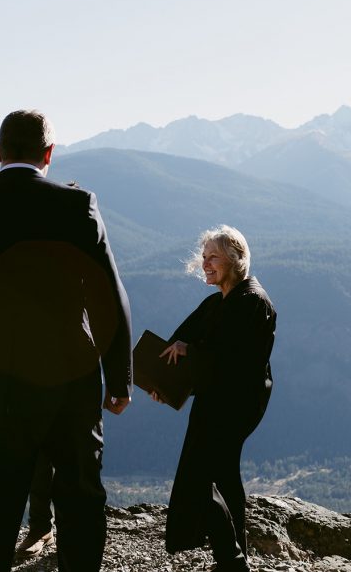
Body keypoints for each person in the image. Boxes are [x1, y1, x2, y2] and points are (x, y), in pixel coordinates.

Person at [0, 109, 132, 572]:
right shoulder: (78, 206)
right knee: (79, 501)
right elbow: (110, 297)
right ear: (49, 154)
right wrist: (119, 379)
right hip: (70, 380)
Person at [154, 225, 276, 572]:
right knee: (221, 474)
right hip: (217, 399)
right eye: (204, 256)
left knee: (199, 475)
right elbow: (178, 346)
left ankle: (232, 559)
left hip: (235, 402)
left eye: (213, 257)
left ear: (236, 259)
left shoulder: (252, 301)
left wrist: (188, 350)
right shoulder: (217, 302)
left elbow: (229, 356)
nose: (205, 263)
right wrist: (163, 383)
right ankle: (236, 557)